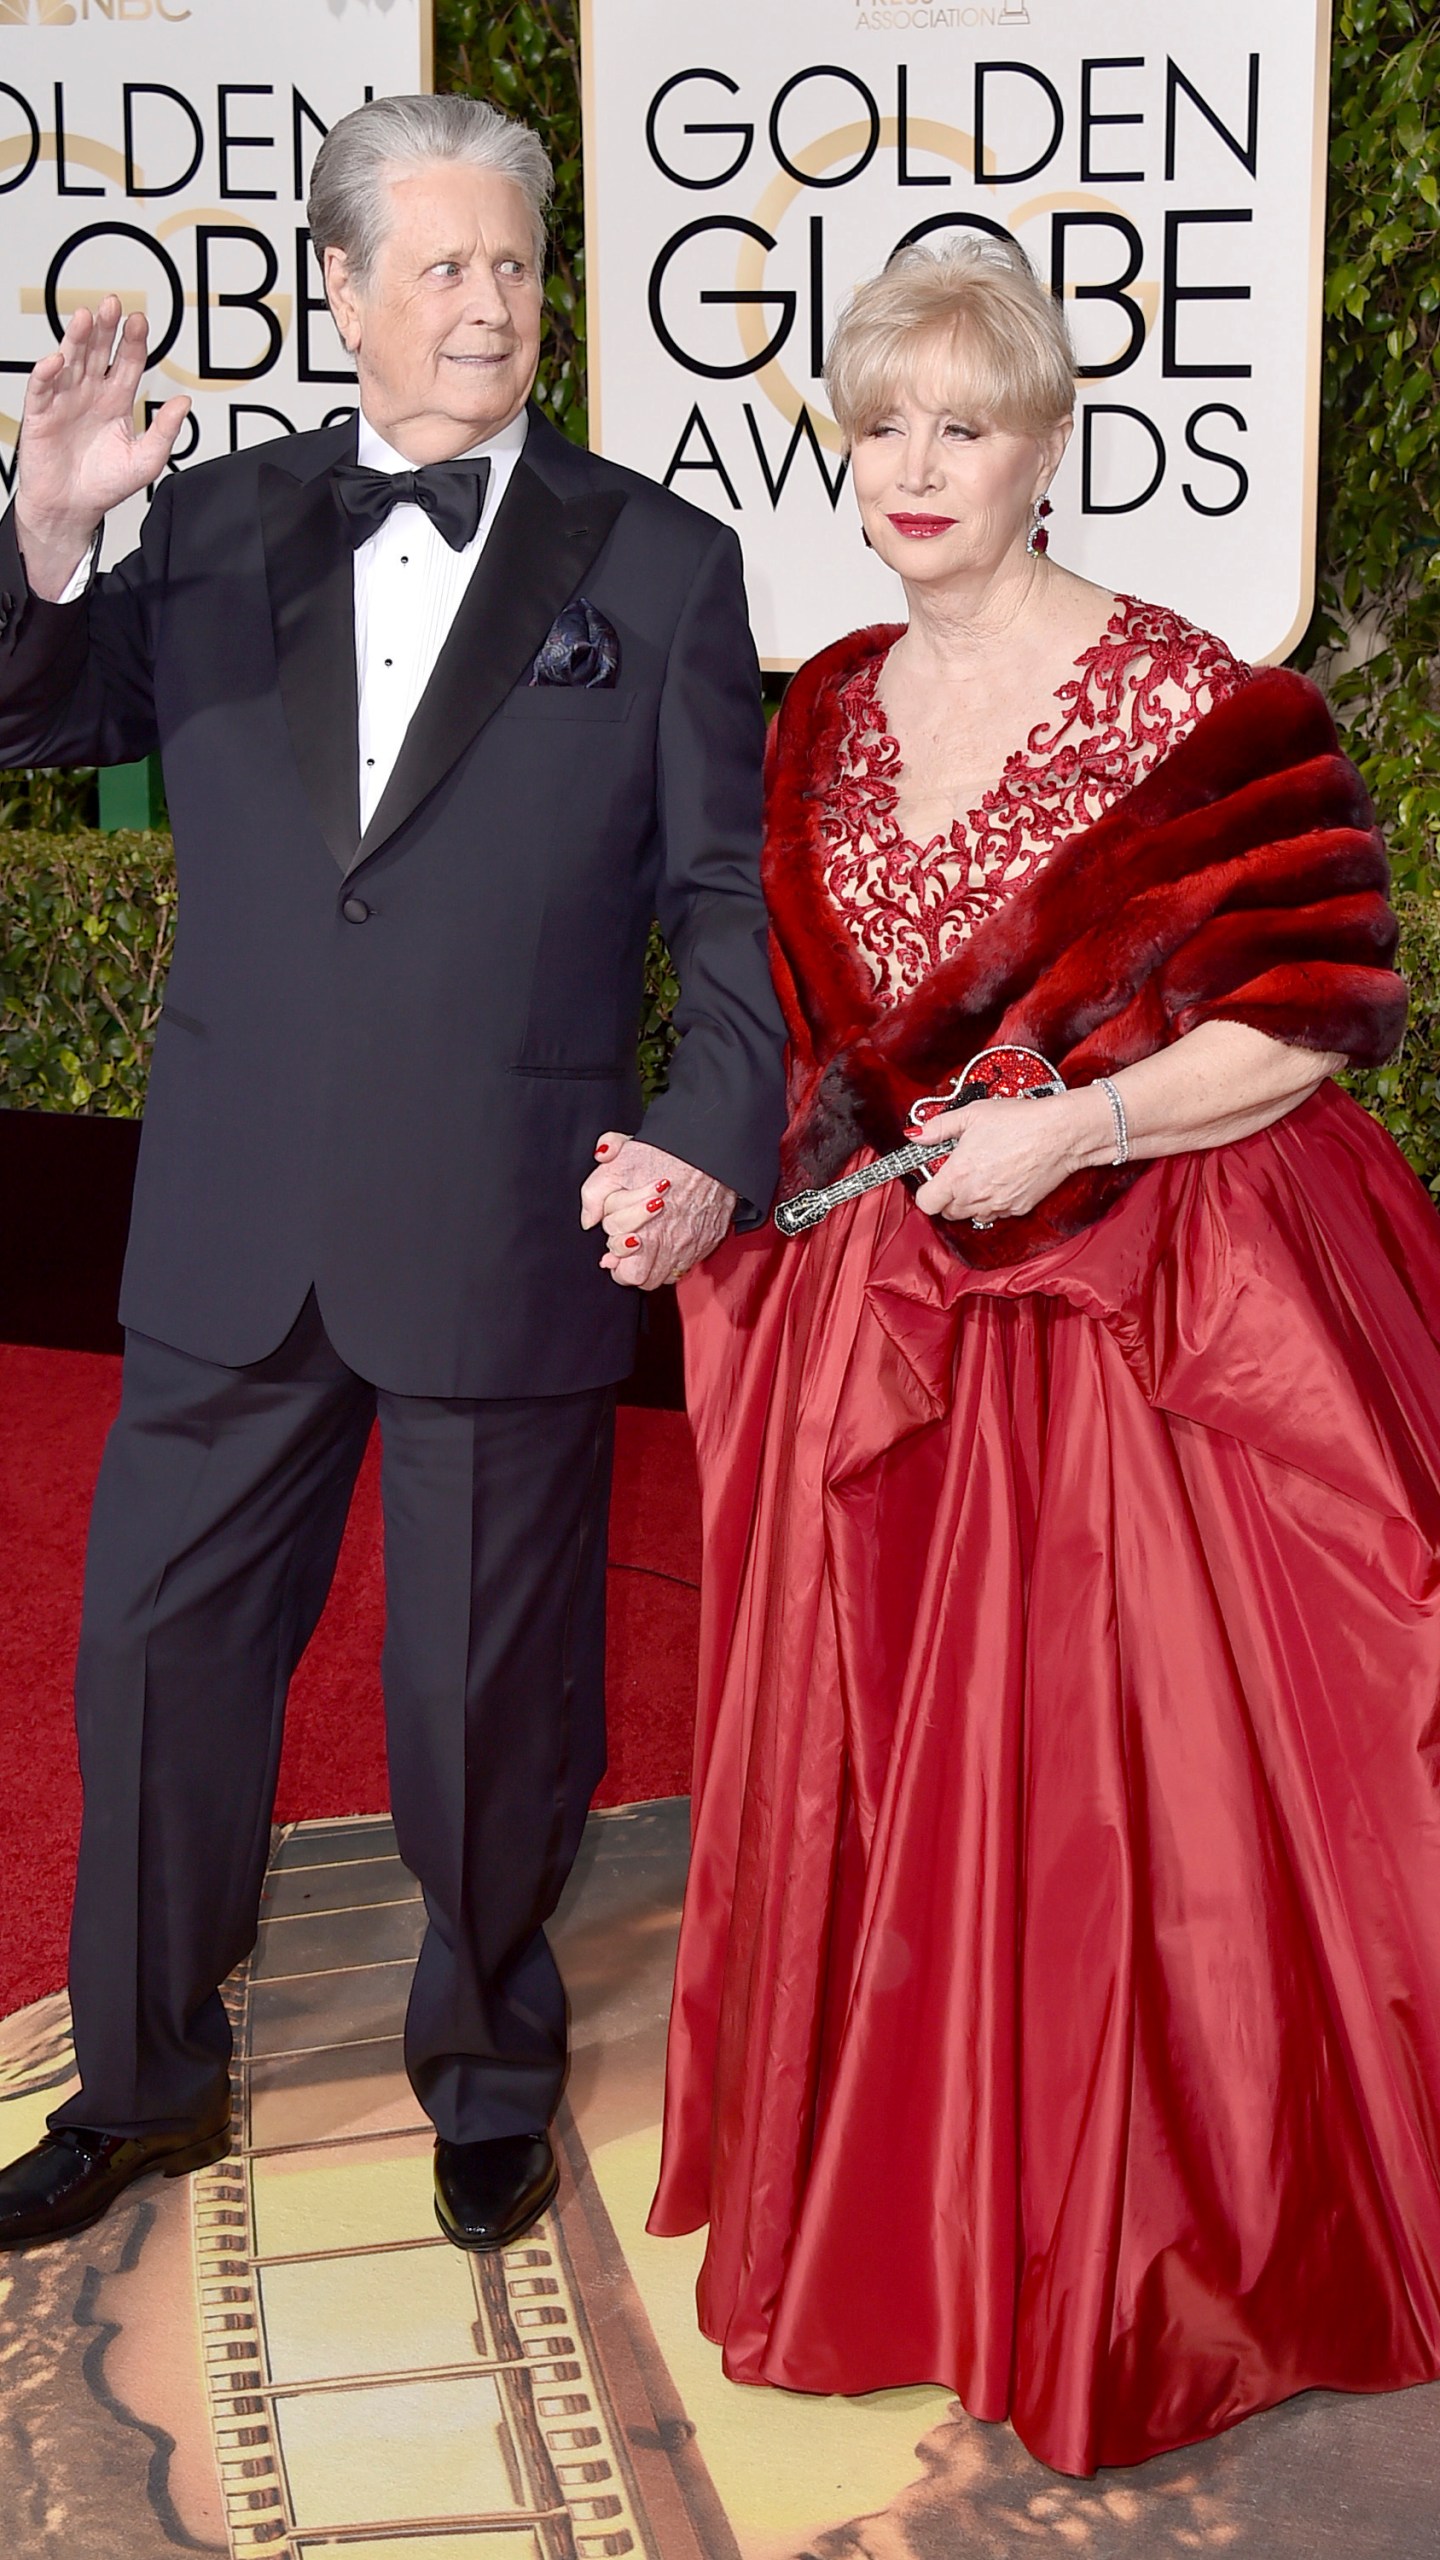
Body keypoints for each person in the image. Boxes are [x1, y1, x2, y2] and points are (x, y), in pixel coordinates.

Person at [649, 238, 1440, 2476]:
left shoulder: (1210, 702)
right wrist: (722, 1188)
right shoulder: (816, 706)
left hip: (1153, 1312)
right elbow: (809, 1053)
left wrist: (1086, 1115)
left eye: (961, 424)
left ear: (1043, 441)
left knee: (1123, 1812)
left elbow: (1313, 1012)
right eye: (880, 424)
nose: (915, 469)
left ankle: (1123, 2250)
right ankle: (913, 2212)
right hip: (892, 1324)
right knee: (886, 1794)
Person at [0, 94, 785, 2256]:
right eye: (437, 266)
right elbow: (41, 721)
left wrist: (714, 1132)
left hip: (502, 1207)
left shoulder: (658, 562)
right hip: (235, 1213)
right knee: (151, 1670)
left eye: (514, 266)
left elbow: (730, 903)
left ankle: (489, 2062)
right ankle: (143, 2080)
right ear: (336, 289)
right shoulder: (219, 516)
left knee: (482, 1701)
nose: (487, 303)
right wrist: (52, 541)